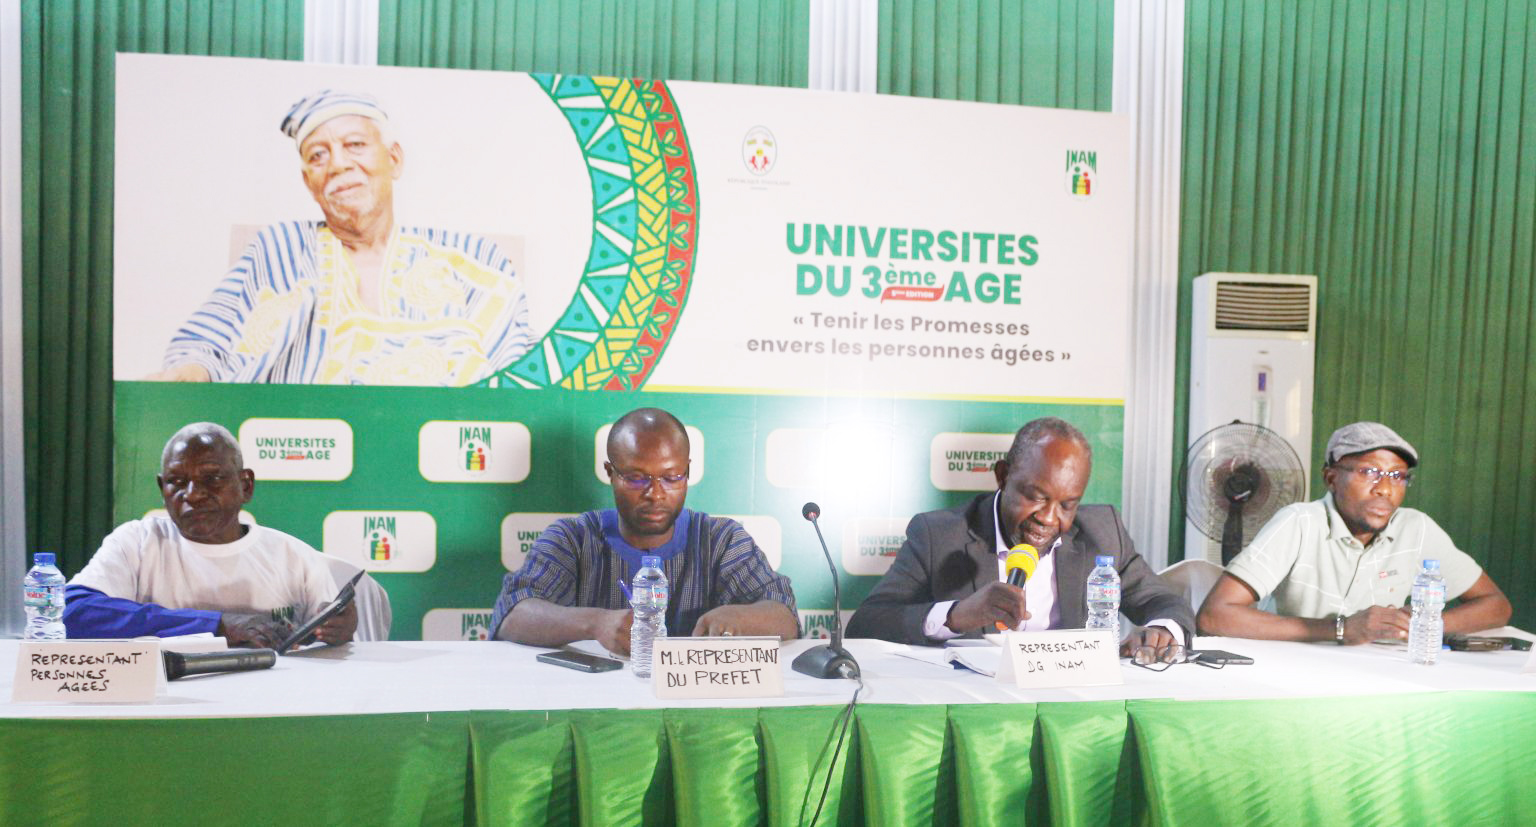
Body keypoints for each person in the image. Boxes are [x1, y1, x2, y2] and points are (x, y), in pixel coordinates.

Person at [151, 89, 534, 385]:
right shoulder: (279, 248)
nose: (337, 164)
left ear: (394, 160)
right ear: (308, 182)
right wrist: (189, 374)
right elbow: (204, 346)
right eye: (318, 155)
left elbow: (520, 368)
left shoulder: (471, 259)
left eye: (355, 145)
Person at [847, 417, 1193, 655]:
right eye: (1036, 497)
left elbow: (1166, 603)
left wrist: (1163, 631)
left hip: (1069, 703)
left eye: (1067, 505)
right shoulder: (939, 535)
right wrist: (956, 616)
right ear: (1002, 476)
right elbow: (866, 624)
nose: (1048, 518)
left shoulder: (1103, 532)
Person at [492, 408, 799, 655]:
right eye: (637, 478)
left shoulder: (721, 540)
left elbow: (784, 616)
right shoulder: (573, 538)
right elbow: (512, 615)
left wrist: (738, 618)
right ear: (610, 473)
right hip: (595, 703)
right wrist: (596, 624)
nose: (655, 493)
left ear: (687, 472)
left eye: (671, 477)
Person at [1198, 422, 1511, 644]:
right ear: (1331, 478)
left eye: (1398, 476)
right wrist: (1341, 629)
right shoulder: (1299, 523)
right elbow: (1214, 616)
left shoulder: (1416, 529)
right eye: (1369, 472)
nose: (1385, 489)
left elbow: (1496, 605)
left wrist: (1420, 625)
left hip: (1378, 678)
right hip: (1294, 675)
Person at [64, 423, 357, 650]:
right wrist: (216, 625)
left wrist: (339, 631)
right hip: (167, 700)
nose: (192, 495)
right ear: (162, 489)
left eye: (212, 479)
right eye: (177, 482)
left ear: (246, 486)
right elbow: (73, 612)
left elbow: (328, 643)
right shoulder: (137, 542)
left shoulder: (295, 557)